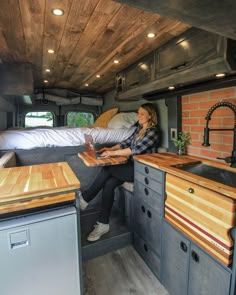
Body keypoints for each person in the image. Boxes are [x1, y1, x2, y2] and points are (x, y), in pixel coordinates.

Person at [79, 103, 160, 242]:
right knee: (109, 184)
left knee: (107, 168)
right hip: (130, 165)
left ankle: (85, 198)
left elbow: (135, 150)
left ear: (150, 116)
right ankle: (103, 224)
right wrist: (108, 148)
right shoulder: (139, 129)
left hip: (141, 171)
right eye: (138, 113)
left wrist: (112, 153)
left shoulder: (153, 132)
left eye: (142, 114)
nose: (138, 116)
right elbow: (126, 143)